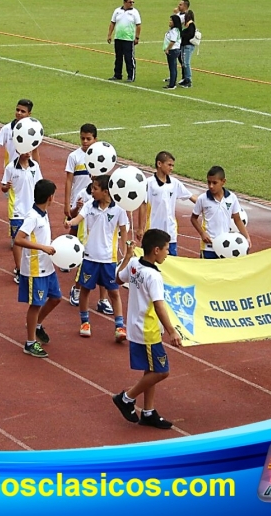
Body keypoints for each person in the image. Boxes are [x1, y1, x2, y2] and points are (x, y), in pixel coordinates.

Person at [112, 229, 182, 429]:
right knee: (161, 371)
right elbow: (159, 306)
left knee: (150, 369)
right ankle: (126, 398)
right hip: (147, 329)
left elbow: (118, 279)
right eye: (166, 250)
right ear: (156, 250)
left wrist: (126, 257)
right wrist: (172, 331)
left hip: (137, 325)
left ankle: (148, 412)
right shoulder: (153, 276)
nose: (168, 253)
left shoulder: (134, 264)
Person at [65, 174, 128, 342]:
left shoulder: (119, 210)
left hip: (108, 259)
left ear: (106, 191)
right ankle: (85, 322)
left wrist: (125, 254)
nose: (92, 191)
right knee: (85, 290)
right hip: (90, 257)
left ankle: (119, 326)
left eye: (95, 188)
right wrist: (70, 223)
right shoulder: (88, 206)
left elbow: (123, 234)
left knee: (114, 292)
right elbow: (78, 218)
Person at [14, 179, 62, 358]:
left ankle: (37, 325)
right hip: (35, 268)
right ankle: (30, 342)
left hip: (47, 266)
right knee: (35, 305)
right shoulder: (32, 216)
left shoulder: (43, 213)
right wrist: (42, 247)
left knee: (56, 298)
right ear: (50, 197)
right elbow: (18, 239)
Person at [67, 178, 113, 313]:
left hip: (105, 246)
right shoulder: (84, 195)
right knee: (84, 268)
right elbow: (74, 215)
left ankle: (103, 300)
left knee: (105, 275)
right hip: (86, 238)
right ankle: (76, 289)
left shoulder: (114, 206)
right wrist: (72, 217)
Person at [137, 151, 196, 255]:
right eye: (169, 165)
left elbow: (191, 196)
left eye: (173, 165)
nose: (171, 168)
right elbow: (143, 205)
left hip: (170, 232)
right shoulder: (148, 183)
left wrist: (206, 205)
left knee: (172, 262)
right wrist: (140, 228)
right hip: (153, 231)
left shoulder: (175, 183)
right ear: (159, 164)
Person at [1, 151, 43, 284]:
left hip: (32, 210)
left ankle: (30, 266)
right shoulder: (10, 168)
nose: (28, 153)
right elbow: (3, 187)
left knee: (32, 239)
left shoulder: (34, 166)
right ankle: (20, 270)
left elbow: (39, 185)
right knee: (17, 241)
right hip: (16, 210)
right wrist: (6, 187)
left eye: (30, 150)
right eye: (25, 150)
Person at [190, 165, 250, 258]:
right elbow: (193, 218)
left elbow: (237, 219)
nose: (211, 186)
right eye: (209, 182)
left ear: (223, 182)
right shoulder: (203, 199)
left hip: (226, 247)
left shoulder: (231, 198)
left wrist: (247, 237)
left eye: (214, 183)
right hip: (208, 246)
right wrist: (202, 233)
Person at [107, 0, 141, 82]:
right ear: (125, 2)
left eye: (133, 2)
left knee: (129, 58)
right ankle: (117, 74)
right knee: (118, 57)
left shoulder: (135, 12)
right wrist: (109, 35)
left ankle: (131, 76)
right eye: (130, 2)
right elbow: (112, 23)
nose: (132, 4)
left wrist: (137, 37)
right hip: (118, 37)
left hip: (128, 39)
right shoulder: (117, 11)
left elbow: (138, 25)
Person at [163, 15, 182, 90]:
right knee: (173, 67)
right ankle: (172, 82)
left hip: (173, 50)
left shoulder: (174, 31)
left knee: (172, 67)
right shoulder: (175, 30)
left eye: (171, 20)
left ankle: (172, 84)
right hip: (175, 50)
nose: (169, 22)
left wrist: (167, 49)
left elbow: (172, 41)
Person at [179, 11, 196, 88]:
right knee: (184, 63)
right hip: (183, 45)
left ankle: (188, 80)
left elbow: (190, 35)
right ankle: (185, 79)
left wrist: (183, 34)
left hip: (188, 46)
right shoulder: (186, 25)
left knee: (186, 63)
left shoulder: (191, 25)